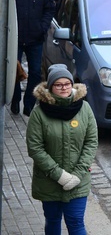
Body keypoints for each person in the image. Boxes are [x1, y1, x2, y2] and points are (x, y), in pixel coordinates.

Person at [26, 65, 98, 235]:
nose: (64, 88)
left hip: (77, 180)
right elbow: (35, 148)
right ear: (50, 87)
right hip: (48, 181)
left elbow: (91, 142)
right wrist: (60, 175)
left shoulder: (84, 109)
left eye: (67, 84)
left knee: (76, 223)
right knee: (52, 221)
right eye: (58, 84)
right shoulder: (39, 114)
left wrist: (78, 174)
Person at [10, 0, 55, 116]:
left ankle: (29, 104)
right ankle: (14, 99)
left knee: (35, 72)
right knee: (13, 72)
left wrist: (42, 27)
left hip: (35, 39)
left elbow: (49, 9)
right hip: (14, 39)